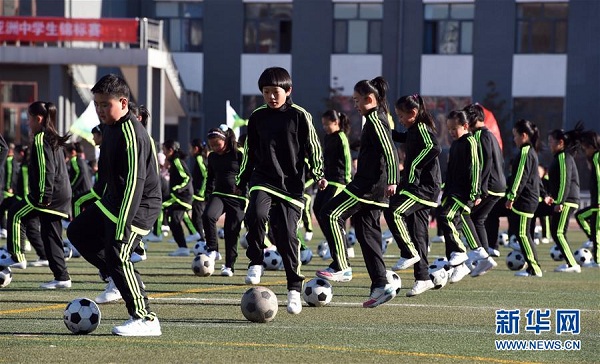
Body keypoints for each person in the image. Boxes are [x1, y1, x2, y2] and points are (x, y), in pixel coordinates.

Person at [67, 73, 162, 336]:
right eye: (96, 104)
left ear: (122, 103)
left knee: (117, 252)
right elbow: (109, 176)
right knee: (77, 232)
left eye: (104, 105)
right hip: (115, 200)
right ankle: (114, 279)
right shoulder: (109, 128)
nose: (99, 110)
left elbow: (135, 184)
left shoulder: (133, 133)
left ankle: (146, 318)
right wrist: (90, 198)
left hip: (139, 205)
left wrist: (122, 226)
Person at [235, 67, 326, 315]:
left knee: (286, 235)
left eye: (276, 92)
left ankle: (294, 289)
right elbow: (249, 151)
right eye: (266, 92)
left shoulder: (300, 116)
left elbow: (313, 147)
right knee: (254, 214)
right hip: (263, 178)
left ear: (288, 91)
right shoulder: (256, 117)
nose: (271, 97)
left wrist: (318, 173)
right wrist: (242, 177)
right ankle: (256, 260)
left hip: (292, 185)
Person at [316, 77, 399, 308]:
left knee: (330, 213)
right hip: (374, 187)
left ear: (370, 99)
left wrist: (393, 180)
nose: (354, 105)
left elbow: (390, 151)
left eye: (357, 100)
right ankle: (381, 285)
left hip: (369, 186)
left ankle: (342, 266)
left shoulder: (375, 120)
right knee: (367, 235)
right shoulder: (377, 118)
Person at [0, 101, 73, 289]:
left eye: (29, 119)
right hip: (61, 195)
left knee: (16, 213)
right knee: (50, 235)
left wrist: (43, 195)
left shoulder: (41, 138)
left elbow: (46, 169)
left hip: (48, 195)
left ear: (38, 119)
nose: (27, 123)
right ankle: (62, 277)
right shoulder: (53, 138)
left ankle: (16, 256)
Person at [383, 94, 441, 296]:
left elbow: (433, 147)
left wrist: (414, 168)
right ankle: (423, 278)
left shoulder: (422, 128)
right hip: (416, 187)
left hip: (423, 188)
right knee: (419, 234)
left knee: (394, 210)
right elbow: (401, 137)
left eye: (401, 115)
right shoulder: (413, 130)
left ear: (414, 113)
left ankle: (408, 252)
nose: (399, 119)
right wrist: (385, 132)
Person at [461, 103, 505, 277]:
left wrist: (480, 188)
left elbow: (483, 164)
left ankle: (479, 255)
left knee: (465, 214)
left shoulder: (480, 136)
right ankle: (483, 258)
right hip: (498, 185)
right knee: (478, 219)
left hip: (490, 186)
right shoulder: (490, 135)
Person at [437, 110, 480, 284]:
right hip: (451, 191)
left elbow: (475, 167)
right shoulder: (455, 145)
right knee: (449, 224)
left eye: (455, 128)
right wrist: (442, 186)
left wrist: (474, 191)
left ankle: (462, 253)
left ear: (466, 126)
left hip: (462, 193)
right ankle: (458, 266)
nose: (452, 132)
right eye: (449, 130)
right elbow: (451, 170)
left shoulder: (470, 141)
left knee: (446, 216)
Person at [203, 126, 247, 276]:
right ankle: (213, 249)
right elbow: (210, 177)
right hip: (219, 194)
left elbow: (249, 172)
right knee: (208, 216)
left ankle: (229, 266)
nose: (214, 148)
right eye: (211, 145)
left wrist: (243, 188)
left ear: (226, 140)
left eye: (217, 144)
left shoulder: (239, 154)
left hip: (238, 198)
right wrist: (206, 194)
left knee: (231, 232)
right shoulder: (212, 157)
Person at [539, 124, 583, 273]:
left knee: (558, 232)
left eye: (551, 141)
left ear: (560, 143)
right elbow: (555, 181)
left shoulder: (564, 157)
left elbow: (565, 180)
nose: (549, 144)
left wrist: (561, 201)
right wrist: (551, 195)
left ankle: (572, 265)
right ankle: (570, 262)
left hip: (568, 200)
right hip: (562, 200)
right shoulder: (558, 157)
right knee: (556, 231)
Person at [312, 110, 353, 260]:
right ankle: (332, 242)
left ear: (336, 123)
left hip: (339, 181)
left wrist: (348, 182)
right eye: (323, 124)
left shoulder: (341, 137)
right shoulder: (327, 137)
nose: (324, 127)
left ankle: (344, 247)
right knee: (317, 209)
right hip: (327, 181)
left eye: (326, 124)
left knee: (331, 214)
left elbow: (347, 159)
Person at [505, 119, 543, 278]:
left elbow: (520, 177)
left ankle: (535, 268)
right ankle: (533, 267)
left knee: (522, 234)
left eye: (515, 136)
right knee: (525, 234)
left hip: (526, 199)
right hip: (530, 198)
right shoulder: (531, 151)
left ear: (524, 135)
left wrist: (511, 196)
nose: (514, 139)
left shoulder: (525, 152)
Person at [162, 140, 194, 257]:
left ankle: (154, 235)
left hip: (181, 197)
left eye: (164, 150)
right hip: (178, 197)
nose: (163, 152)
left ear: (170, 150)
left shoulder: (177, 162)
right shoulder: (173, 162)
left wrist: (177, 188)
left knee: (159, 207)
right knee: (173, 219)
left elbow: (187, 178)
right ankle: (183, 247)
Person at [576, 130, 600, 268]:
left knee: (583, 219)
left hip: (598, 202)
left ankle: (597, 260)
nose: (584, 151)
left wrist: (597, 201)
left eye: (585, 148)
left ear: (591, 146)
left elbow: (598, 179)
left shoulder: (596, 157)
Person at [190, 138, 208, 242]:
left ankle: (202, 241)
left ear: (196, 149)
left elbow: (205, 175)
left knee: (197, 219)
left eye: (191, 148)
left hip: (199, 195)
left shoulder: (199, 158)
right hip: (198, 194)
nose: (190, 151)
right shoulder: (200, 158)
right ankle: (201, 240)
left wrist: (201, 192)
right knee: (196, 218)